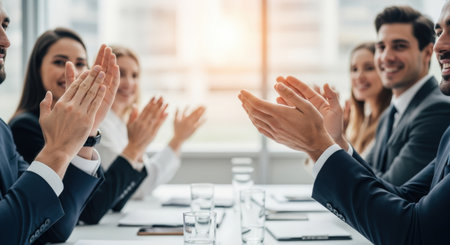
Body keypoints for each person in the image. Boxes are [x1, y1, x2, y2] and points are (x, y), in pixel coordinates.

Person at [238, 2, 450, 244]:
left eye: (399, 46)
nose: (441, 45)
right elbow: (399, 195)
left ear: (425, 53)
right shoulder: (429, 126)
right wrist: (333, 141)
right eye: (440, 32)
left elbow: (413, 230)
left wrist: (320, 146)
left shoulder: (436, 110)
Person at [9, 28, 166, 225]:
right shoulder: (26, 127)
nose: (71, 70)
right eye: (59, 62)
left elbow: (111, 201)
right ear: (37, 68)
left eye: (81, 63)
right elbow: (89, 211)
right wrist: (133, 148)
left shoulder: (77, 127)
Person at [0, 5, 121, 245]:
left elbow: (54, 228)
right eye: (60, 61)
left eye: (4, 26)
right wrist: (58, 150)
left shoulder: (2, 131)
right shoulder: (24, 125)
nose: (6, 40)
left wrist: (86, 138)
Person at [97, 45, 205, 199]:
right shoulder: (100, 127)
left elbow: (143, 174)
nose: (129, 83)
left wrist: (177, 139)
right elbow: (136, 188)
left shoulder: (122, 125)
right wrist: (177, 140)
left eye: (135, 75)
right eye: (120, 74)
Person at [345, 42, 392, 156]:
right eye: (354, 69)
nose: (359, 77)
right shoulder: (358, 122)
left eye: (369, 68)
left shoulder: (390, 123)